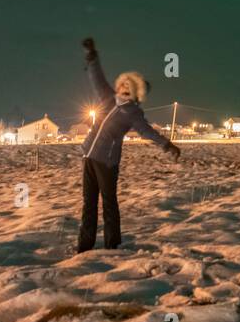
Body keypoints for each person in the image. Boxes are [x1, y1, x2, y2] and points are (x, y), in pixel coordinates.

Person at [77, 37, 180, 252]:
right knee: (88, 205)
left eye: (129, 85)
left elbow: (147, 132)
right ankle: (84, 248)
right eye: (123, 82)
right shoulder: (107, 98)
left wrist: (166, 145)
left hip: (107, 162)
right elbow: (96, 78)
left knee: (109, 205)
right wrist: (92, 56)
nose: (124, 86)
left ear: (135, 92)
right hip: (89, 156)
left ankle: (112, 246)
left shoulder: (133, 112)